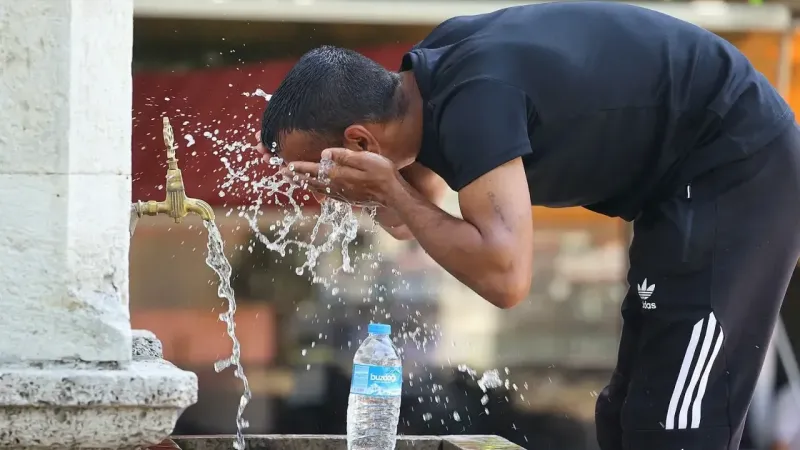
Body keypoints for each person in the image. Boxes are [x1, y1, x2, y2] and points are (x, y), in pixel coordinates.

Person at [257, 2, 800, 449]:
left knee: (677, 423)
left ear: (358, 142)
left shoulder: (474, 101)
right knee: (626, 414)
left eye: (320, 169)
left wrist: (386, 188)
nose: (320, 187)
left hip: (736, 165)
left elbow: (506, 277)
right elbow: (410, 219)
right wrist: (387, 190)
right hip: (678, 186)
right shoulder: (427, 83)